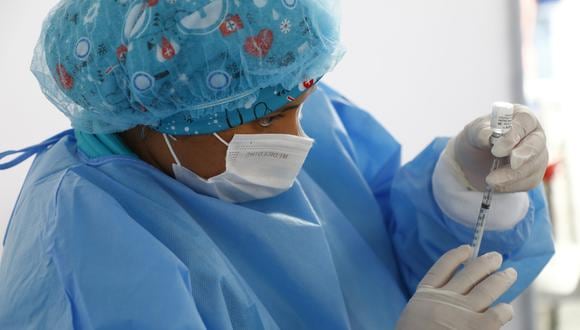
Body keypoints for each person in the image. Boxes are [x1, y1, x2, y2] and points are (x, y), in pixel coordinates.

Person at [0, 0, 553, 329]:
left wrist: (469, 184)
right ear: (152, 119)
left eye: (297, 107)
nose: (297, 139)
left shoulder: (273, 102)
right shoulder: (84, 245)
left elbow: (396, 262)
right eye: (265, 121)